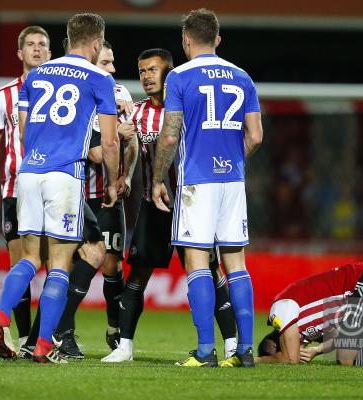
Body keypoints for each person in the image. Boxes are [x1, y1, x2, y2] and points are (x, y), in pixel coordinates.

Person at [0, 13, 119, 364]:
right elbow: (108, 142)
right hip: (65, 176)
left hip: (29, 173)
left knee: (29, 258)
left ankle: (1, 316)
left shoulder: (39, 74)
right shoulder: (100, 78)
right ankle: (43, 345)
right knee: (59, 264)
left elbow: (26, 131)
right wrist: (112, 182)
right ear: (95, 43)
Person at [101, 48, 238, 363]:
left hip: (191, 205)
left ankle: (231, 344)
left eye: (152, 69)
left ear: (169, 71)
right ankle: (124, 347)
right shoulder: (136, 112)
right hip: (153, 205)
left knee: (209, 271)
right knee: (138, 275)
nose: (147, 76)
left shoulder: (191, 109)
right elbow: (128, 146)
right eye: (142, 71)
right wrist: (123, 151)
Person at [152, 9, 263, 368]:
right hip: (232, 180)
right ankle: (245, 351)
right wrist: (233, 159)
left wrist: (157, 179)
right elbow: (256, 136)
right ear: (217, 39)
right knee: (236, 264)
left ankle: (205, 351)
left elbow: (169, 136)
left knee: (197, 262)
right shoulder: (243, 76)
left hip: (196, 180)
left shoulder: (180, 77)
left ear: (186, 40)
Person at [51, 40, 137, 358]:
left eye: (113, 62)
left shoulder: (122, 94)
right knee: (78, 260)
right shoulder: (81, 95)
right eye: (105, 63)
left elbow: (132, 142)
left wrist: (126, 176)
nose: (112, 69)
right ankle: (61, 331)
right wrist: (120, 136)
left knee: (112, 265)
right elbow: (97, 151)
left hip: (111, 198)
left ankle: (114, 330)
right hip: (80, 194)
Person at [0, 25, 51, 350]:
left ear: (49, 52)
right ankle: (22, 337)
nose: (35, 49)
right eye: (30, 44)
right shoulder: (4, 95)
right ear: (19, 53)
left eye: (41, 45)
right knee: (22, 264)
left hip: (52, 189)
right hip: (16, 190)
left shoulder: (61, 92)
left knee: (56, 264)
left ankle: (41, 337)